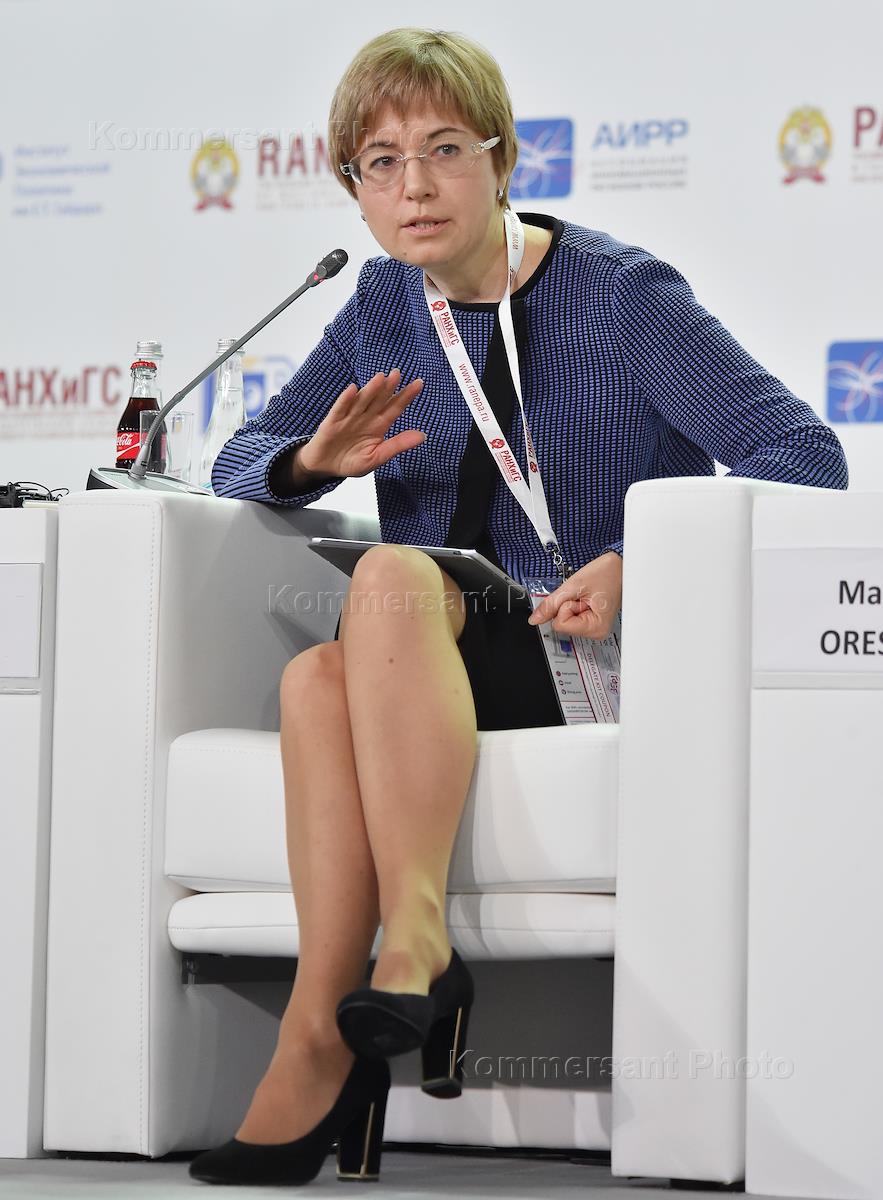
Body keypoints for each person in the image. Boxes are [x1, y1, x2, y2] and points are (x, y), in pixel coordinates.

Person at [189, 27, 849, 1188]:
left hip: (588, 656)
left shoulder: (621, 295)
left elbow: (802, 454)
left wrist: (636, 560)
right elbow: (239, 459)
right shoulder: (382, 305)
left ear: (502, 159)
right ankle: (327, 1029)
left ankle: (403, 960)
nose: (414, 185)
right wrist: (307, 460)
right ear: (354, 189)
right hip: (424, 672)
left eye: (444, 149)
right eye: (381, 163)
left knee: (386, 581)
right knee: (315, 675)